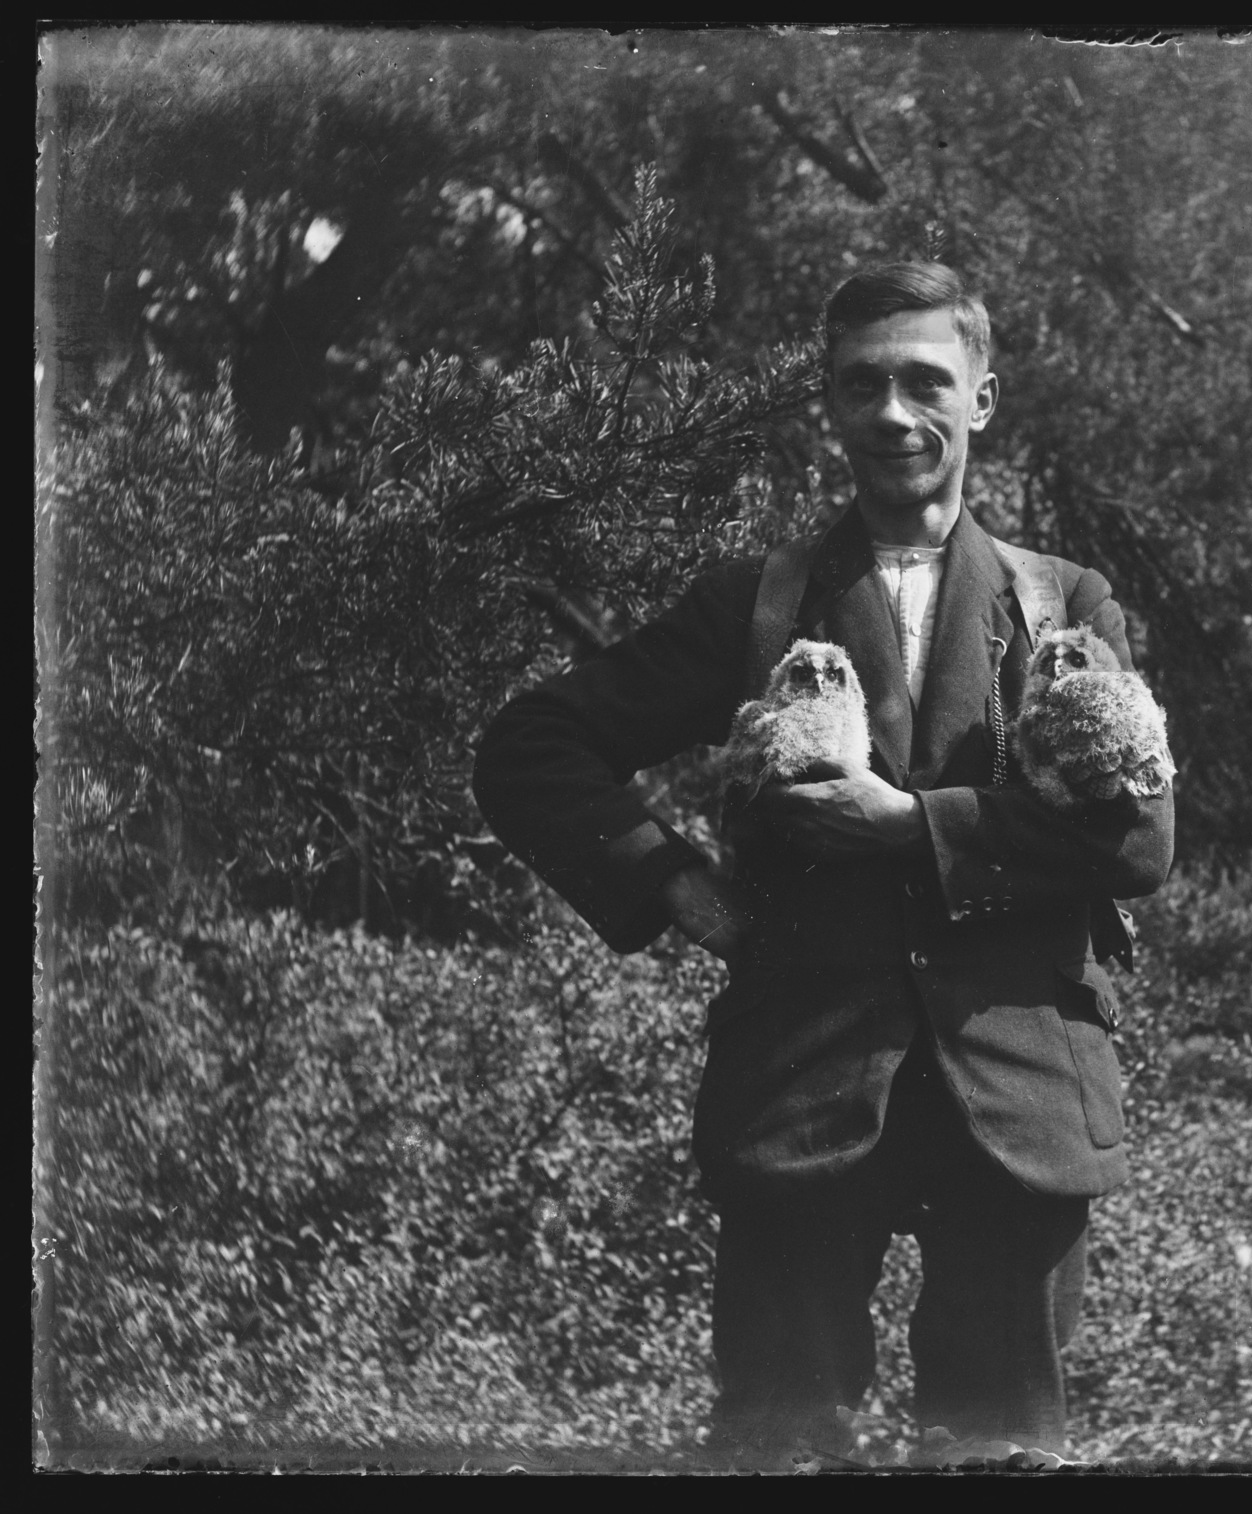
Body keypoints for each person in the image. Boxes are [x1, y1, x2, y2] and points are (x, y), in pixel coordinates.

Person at [472, 261, 1173, 1465]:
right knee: (777, 1447)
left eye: (924, 381)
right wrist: (677, 886)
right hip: (800, 1093)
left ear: (980, 397)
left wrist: (909, 824)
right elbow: (530, 747)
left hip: (1022, 1093)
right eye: (863, 384)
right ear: (831, 403)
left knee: (999, 1454)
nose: (893, 412)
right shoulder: (754, 605)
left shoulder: (1063, 604)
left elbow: (1137, 839)